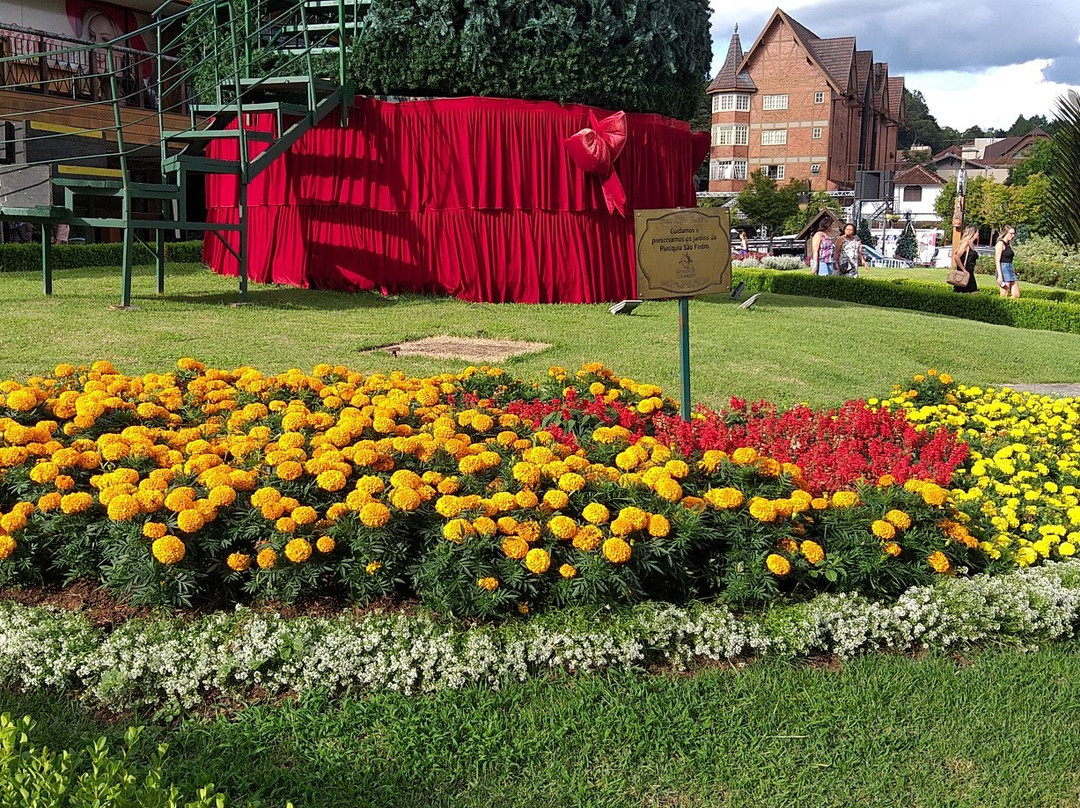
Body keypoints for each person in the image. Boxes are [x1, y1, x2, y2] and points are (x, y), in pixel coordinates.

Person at [951, 226, 980, 294]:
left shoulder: (971, 244)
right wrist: (964, 270)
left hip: (970, 271)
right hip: (965, 272)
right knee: (973, 292)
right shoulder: (966, 243)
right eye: (977, 232)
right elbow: (957, 257)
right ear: (973, 233)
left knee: (966, 292)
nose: (978, 234)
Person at [995, 225, 1019, 299]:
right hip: (1003, 268)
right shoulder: (1000, 244)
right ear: (1005, 233)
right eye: (1011, 233)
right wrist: (1000, 275)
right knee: (1004, 294)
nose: (1013, 235)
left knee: (1016, 295)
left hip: (1010, 268)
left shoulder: (1008, 244)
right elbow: (997, 260)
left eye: (1014, 233)